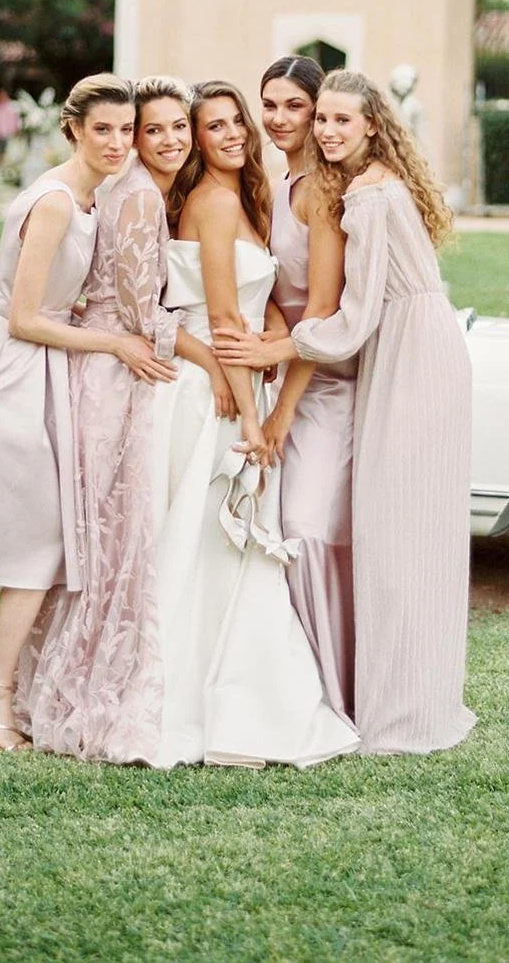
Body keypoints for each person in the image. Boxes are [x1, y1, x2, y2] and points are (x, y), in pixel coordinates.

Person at [0, 74, 176, 751]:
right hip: (12, 366)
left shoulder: (89, 197)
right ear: (72, 129)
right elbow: (24, 317)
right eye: (102, 129)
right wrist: (115, 341)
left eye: (126, 130)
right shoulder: (54, 202)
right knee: (43, 531)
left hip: (29, 359)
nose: (118, 142)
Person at [16, 77, 235, 762]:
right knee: (112, 535)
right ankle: (94, 688)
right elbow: (145, 316)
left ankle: (69, 677)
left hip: (117, 365)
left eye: (178, 127)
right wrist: (214, 361)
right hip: (117, 374)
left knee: (109, 533)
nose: (168, 139)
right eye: (152, 129)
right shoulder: (140, 195)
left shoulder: (141, 190)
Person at [147, 79, 359, 767]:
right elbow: (219, 317)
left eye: (237, 120)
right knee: (204, 541)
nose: (234, 133)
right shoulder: (212, 203)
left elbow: (256, 297)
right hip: (214, 396)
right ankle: (185, 697)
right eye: (215, 126)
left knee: (227, 548)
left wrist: (270, 335)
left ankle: (234, 688)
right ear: (197, 140)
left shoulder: (242, 196)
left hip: (244, 380)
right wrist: (250, 420)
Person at [289, 69, 476, 756]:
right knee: (419, 532)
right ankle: (417, 698)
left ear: (372, 125)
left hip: (409, 359)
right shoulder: (385, 181)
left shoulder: (367, 195)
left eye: (342, 119)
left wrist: (287, 344)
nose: (327, 131)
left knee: (396, 536)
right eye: (322, 119)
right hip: (426, 347)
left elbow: (358, 315)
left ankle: (399, 715)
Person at [214, 56, 357, 720]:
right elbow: (278, 286)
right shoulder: (279, 183)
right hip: (282, 377)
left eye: (294, 106)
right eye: (268, 105)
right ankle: (290, 685)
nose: (277, 118)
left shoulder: (323, 191)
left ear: (318, 110)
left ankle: (334, 689)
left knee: (304, 526)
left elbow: (322, 313)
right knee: (274, 526)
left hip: (324, 384)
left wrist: (283, 414)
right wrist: (270, 326)